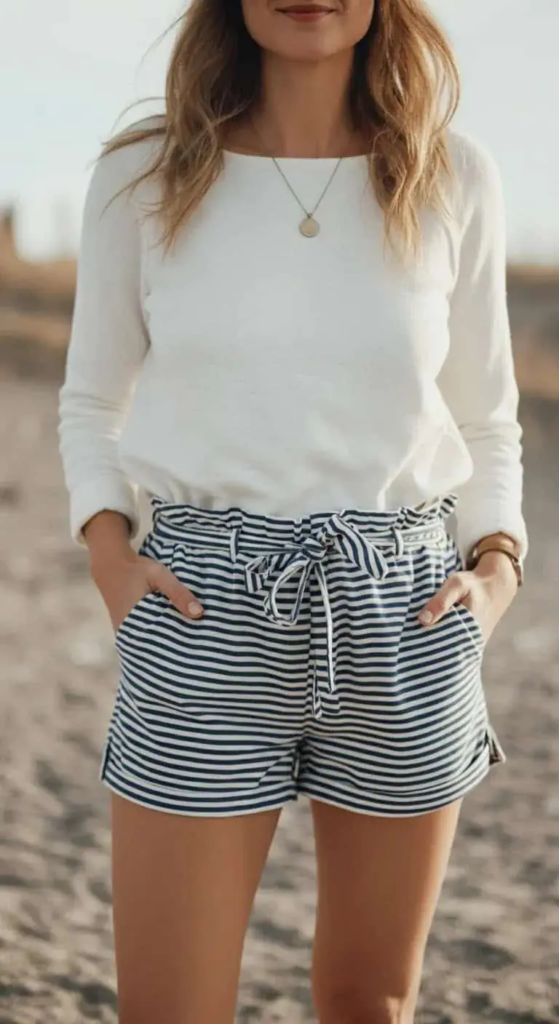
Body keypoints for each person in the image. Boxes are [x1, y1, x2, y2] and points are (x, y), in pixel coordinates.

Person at [58, 1, 528, 1021]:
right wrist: (110, 558)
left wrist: (495, 574)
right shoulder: (142, 172)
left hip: (405, 615)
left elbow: (488, 418)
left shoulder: (455, 176)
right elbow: (93, 401)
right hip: (201, 608)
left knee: (370, 1002)